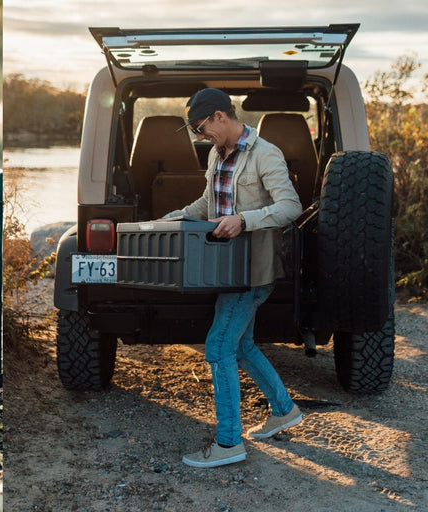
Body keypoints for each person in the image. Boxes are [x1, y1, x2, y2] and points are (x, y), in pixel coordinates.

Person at [165, 88, 304, 468]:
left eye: (200, 126)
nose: (199, 135)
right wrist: (176, 217)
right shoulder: (216, 153)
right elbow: (208, 203)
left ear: (220, 117)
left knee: (218, 347)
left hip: (252, 271)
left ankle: (229, 443)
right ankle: (284, 409)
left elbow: (291, 206)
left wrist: (244, 221)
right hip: (225, 269)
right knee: (241, 346)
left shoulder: (265, 154)